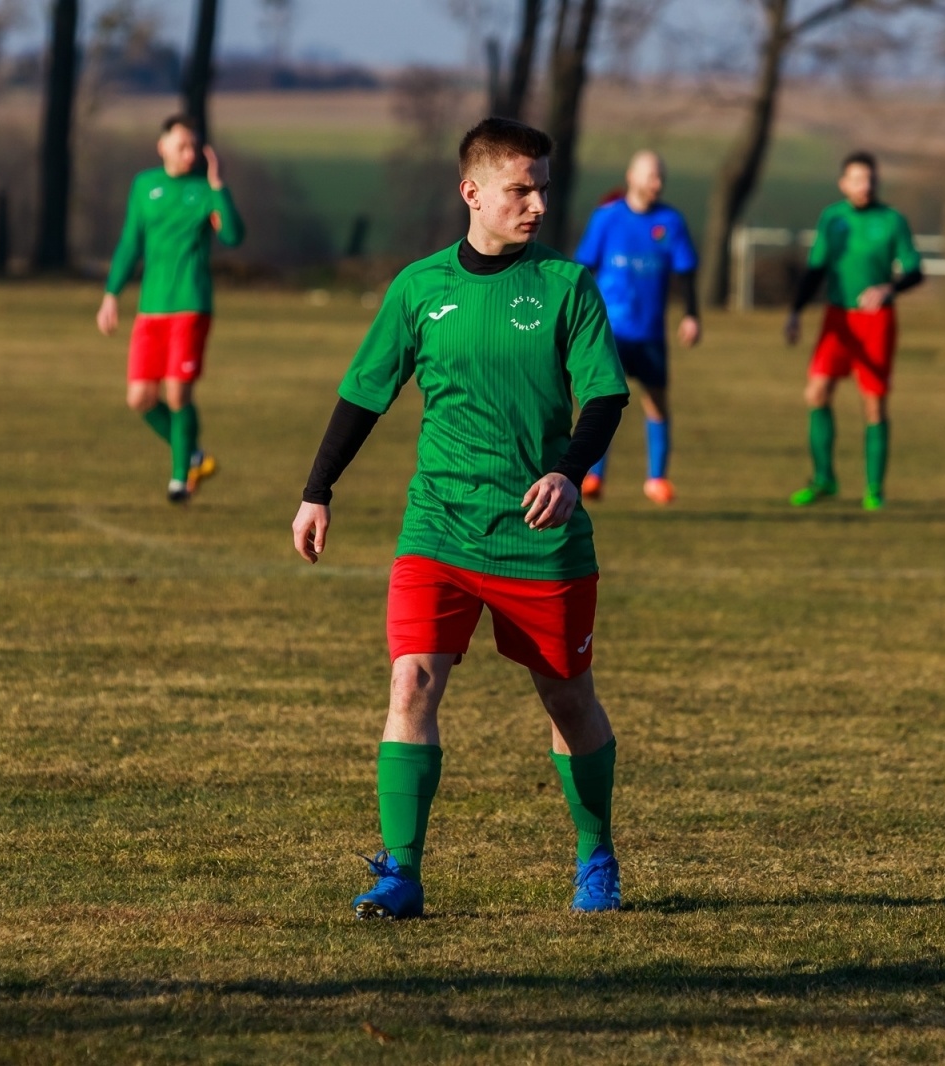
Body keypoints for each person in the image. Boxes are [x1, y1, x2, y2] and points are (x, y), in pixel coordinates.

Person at [291, 117, 630, 920]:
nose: (539, 204)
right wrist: (317, 490)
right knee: (411, 681)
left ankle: (596, 853)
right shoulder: (419, 289)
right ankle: (400, 873)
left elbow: (607, 395)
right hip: (437, 525)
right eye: (521, 189)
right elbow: (365, 394)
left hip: (538, 534)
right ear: (471, 192)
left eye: (544, 187)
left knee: (568, 701)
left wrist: (568, 471)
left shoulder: (567, 286)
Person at [98, 114, 245, 504]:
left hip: (191, 306)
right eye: (181, 145)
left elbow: (232, 235)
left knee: (178, 393)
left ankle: (180, 479)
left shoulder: (204, 189)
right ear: (161, 146)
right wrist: (112, 294)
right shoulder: (145, 186)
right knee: (140, 399)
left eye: (194, 146)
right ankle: (193, 454)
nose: (189, 153)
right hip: (151, 310)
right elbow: (131, 242)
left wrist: (219, 187)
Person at [783, 151, 923, 511]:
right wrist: (796, 312)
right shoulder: (832, 218)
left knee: (873, 403)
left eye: (871, 179)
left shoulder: (892, 221)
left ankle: (874, 488)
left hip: (877, 321)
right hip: (837, 317)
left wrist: (887, 288)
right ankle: (824, 478)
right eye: (858, 179)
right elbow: (816, 269)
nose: (866, 186)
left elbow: (915, 270)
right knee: (816, 392)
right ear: (843, 184)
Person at [573, 150, 700, 506]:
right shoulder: (606, 219)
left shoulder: (670, 221)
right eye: (651, 176)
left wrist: (692, 315)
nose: (657, 184)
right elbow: (582, 268)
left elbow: (686, 271)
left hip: (651, 333)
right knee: (600, 402)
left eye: (661, 177)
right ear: (632, 176)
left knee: (657, 403)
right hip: (609, 331)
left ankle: (657, 479)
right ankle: (593, 476)